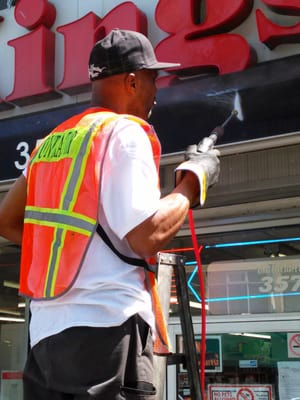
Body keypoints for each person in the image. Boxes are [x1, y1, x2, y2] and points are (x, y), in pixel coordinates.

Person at [0, 29, 220, 400]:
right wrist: (192, 181)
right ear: (132, 81)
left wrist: (76, 247)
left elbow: (6, 221)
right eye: (153, 80)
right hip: (109, 332)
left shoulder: (53, 140)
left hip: (45, 341)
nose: (155, 92)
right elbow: (146, 235)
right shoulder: (124, 132)